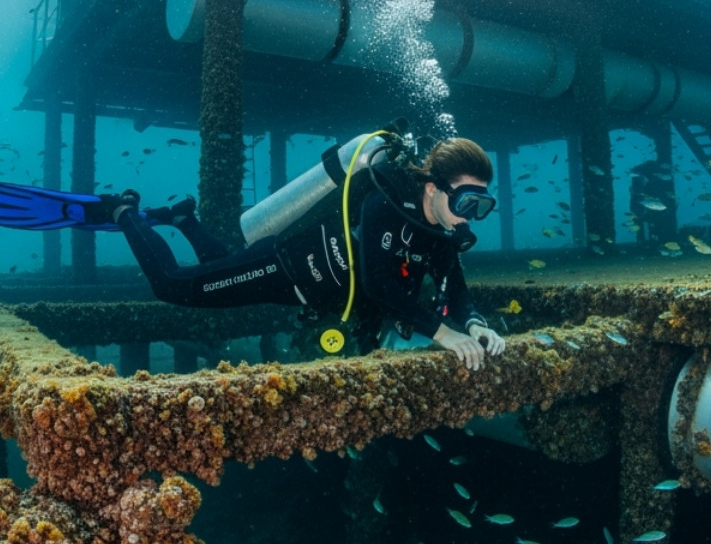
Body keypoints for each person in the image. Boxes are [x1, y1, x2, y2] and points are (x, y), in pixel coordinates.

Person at [105, 137, 506, 371]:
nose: (472, 217)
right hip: (285, 266)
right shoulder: (385, 201)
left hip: (311, 290)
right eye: (468, 202)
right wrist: (442, 333)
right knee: (173, 286)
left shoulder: (438, 231)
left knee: (219, 265)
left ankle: (183, 218)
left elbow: (456, 287)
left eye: (482, 207)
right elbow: (378, 283)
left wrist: (474, 324)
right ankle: (123, 211)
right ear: (433, 189)